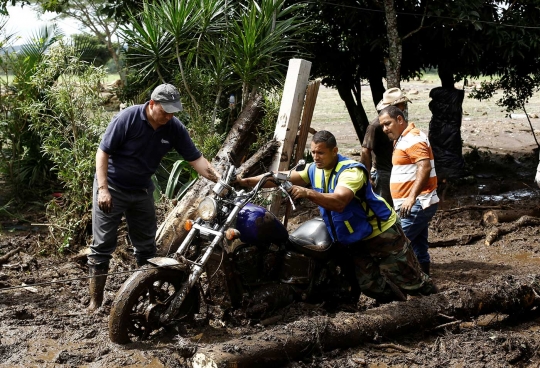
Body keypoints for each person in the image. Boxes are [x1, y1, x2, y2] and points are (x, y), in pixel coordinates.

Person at [238, 130, 437, 304]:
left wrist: (308, 193)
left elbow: (340, 201)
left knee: (409, 278)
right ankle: (402, 307)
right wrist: (246, 181)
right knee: (369, 285)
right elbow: (281, 176)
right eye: (313, 152)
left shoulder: (351, 171)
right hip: (354, 236)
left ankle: (441, 302)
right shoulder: (314, 169)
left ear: (334, 151)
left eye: (321, 153)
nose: (316, 157)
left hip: (381, 231)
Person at [87, 83, 220, 312]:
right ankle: (95, 302)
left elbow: (195, 159)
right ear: (151, 104)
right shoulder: (127, 118)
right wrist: (103, 189)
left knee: (147, 248)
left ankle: (146, 294)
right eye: (165, 111)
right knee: (103, 246)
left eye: (172, 112)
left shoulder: (174, 127)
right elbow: (103, 152)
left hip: (141, 191)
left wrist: (219, 180)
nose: (169, 116)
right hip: (113, 188)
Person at [378, 105, 439, 276]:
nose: (384, 129)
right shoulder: (403, 139)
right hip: (412, 203)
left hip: (417, 203)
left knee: (395, 245)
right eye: (382, 125)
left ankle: (398, 288)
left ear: (399, 119)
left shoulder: (413, 138)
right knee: (418, 246)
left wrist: (411, 198)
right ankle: (425, 287)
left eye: (387, 124)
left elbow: (424, 167)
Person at [360, 88, 411, 207]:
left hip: (397, 170)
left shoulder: (399, 122)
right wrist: (367, 177)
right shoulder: (375, 126)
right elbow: (365, 150)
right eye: (402, 105)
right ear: (395, 106)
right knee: (383, 208)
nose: (404, 108)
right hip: (383, 172)